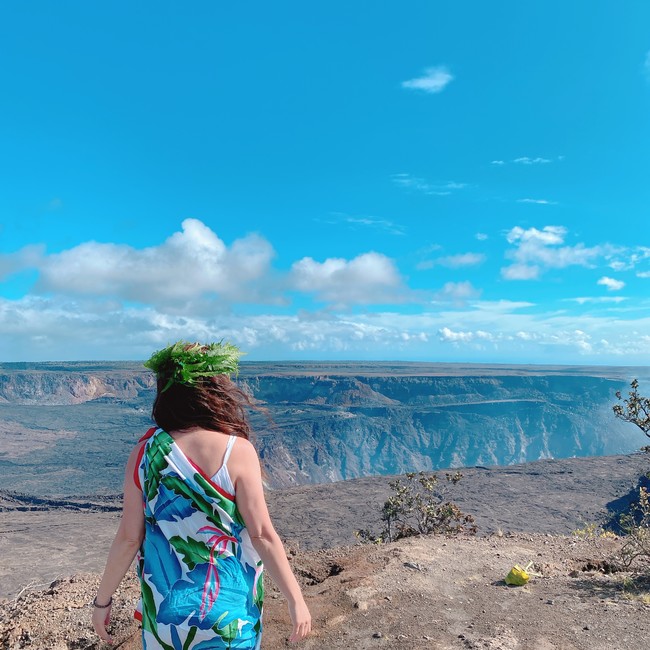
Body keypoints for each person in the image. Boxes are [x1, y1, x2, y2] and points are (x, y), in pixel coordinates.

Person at [92, 341, 311, 648]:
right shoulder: (238, 451)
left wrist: (102, 603)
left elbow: (128, 538)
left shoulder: (144, 454)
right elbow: (262, 534)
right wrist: (295, 600)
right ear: (215, 389)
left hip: (165, 621)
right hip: (229, 619)